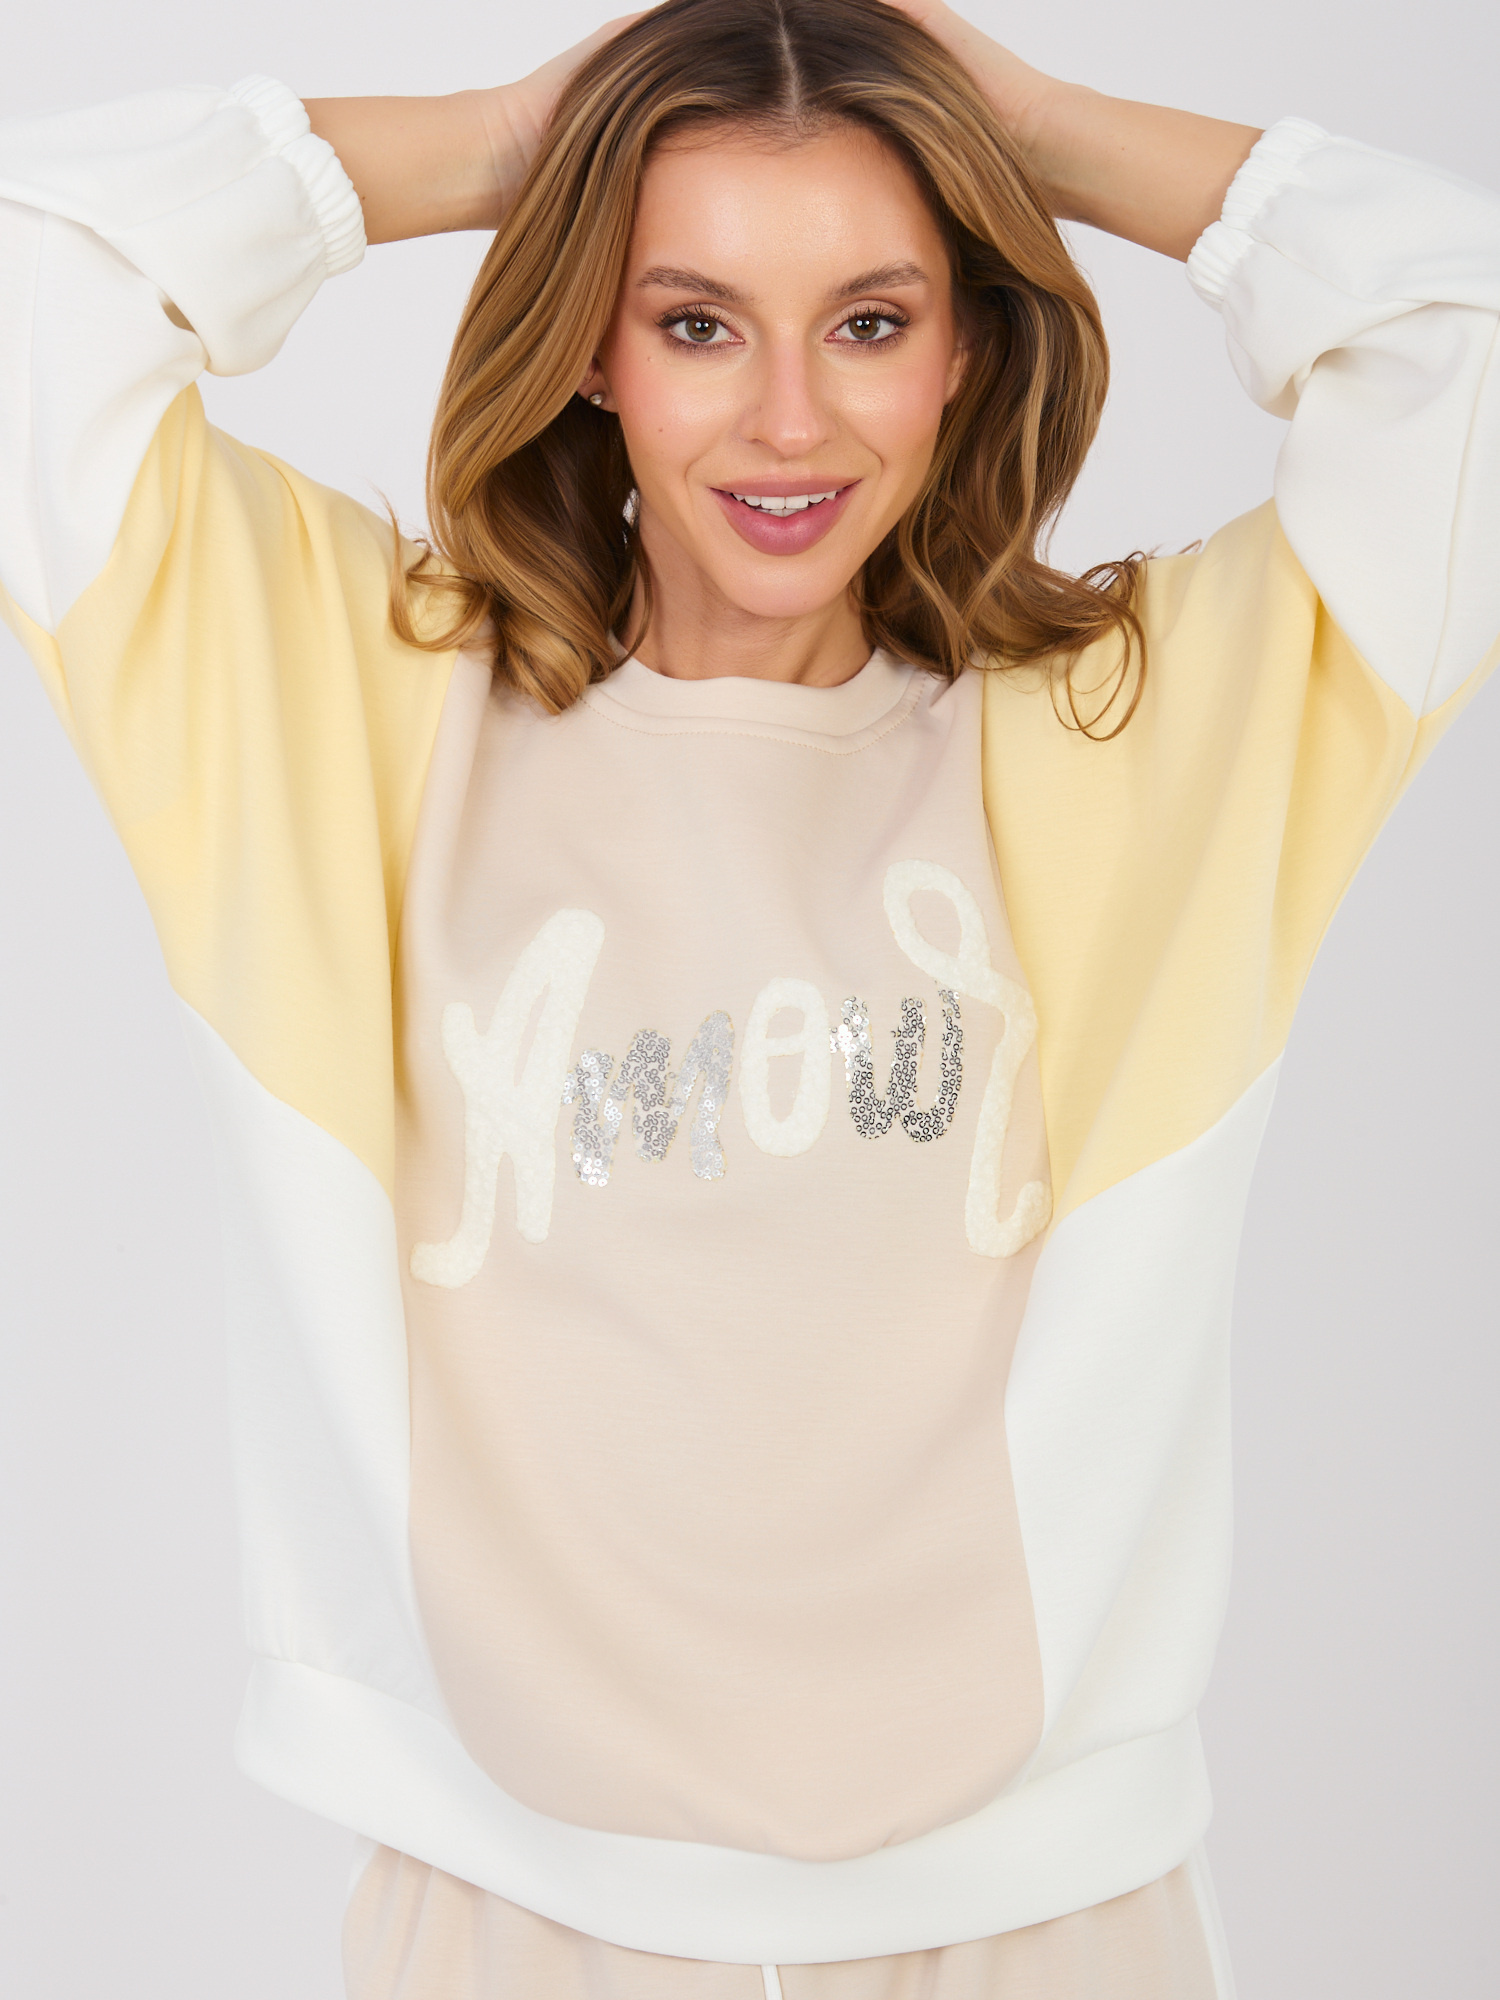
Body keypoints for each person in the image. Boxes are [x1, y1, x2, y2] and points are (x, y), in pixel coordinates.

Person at [0, 0, 1495, 1993]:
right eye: (696, 320)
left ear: (966, 352)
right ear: (594, 351)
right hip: (512, 1928)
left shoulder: (1141, 735)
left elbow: (1463, 336)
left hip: (1048, 1933)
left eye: (869, 320)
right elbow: (38, 275)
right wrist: (510, 140)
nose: (789, 421)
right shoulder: (355, 708)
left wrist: (1025, 123)